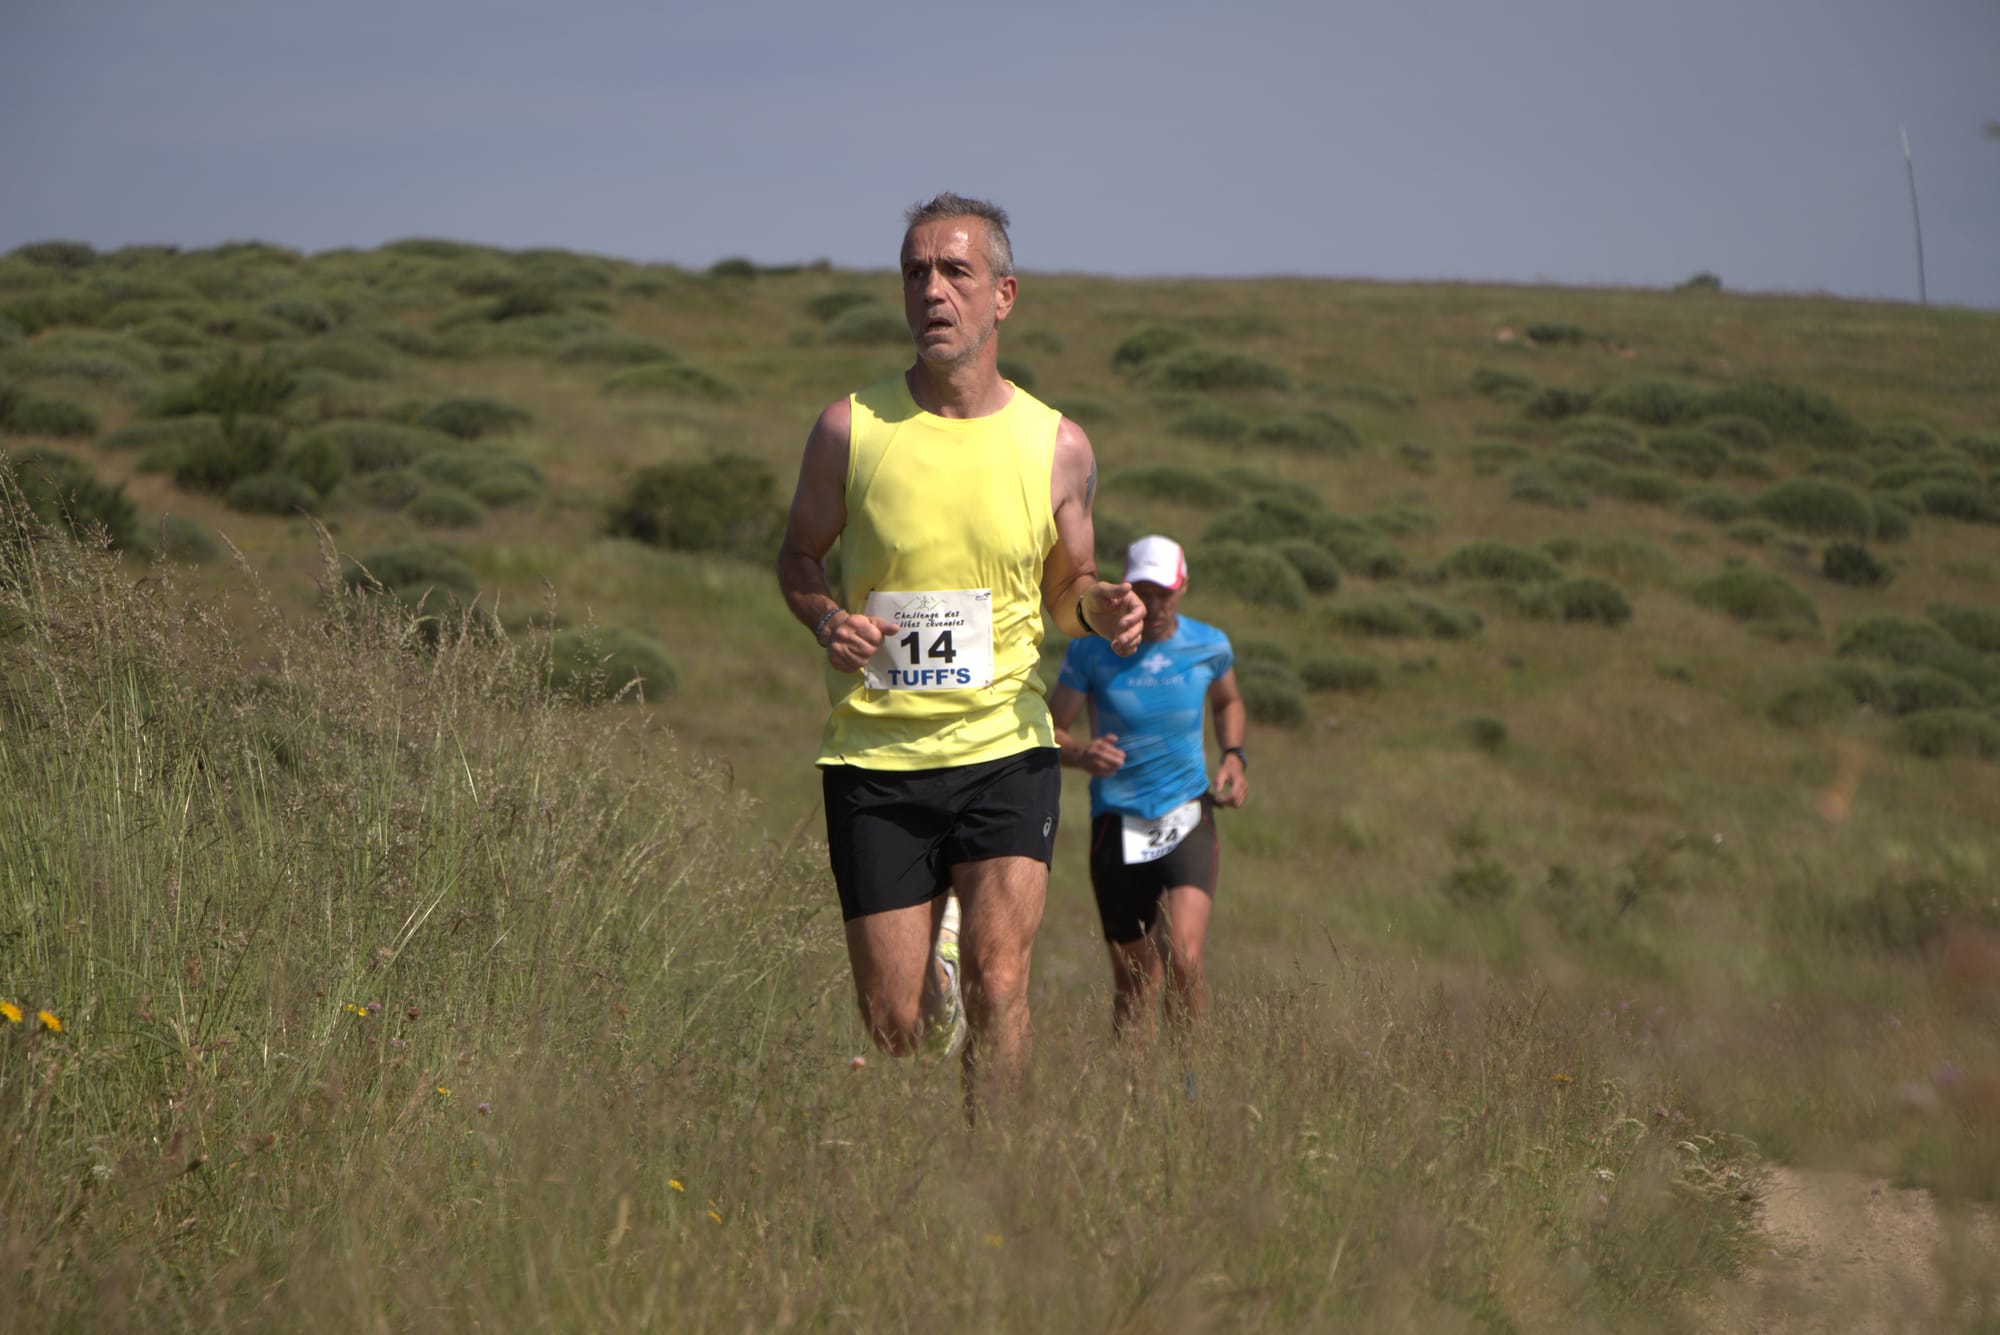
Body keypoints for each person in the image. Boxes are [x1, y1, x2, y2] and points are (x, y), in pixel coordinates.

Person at [776, 193, 1144, 1103]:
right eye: (915, 273)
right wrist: (829, 620)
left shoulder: (1057, 444)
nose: (932, 291)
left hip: (1003, 748)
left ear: (1003, 295)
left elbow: (1069, 591)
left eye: (955, 271)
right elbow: (797, 559)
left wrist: (1108, 608)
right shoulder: (847, 430)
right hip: (878, 752)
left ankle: (1002, 1195)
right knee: (896, 1024)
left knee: (1002, 985)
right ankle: (929, 963)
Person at [1049, 535, 1248, 1041]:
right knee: (1136, 981)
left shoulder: (1209, 645)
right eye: (1143, 592)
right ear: (1125, 592)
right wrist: (1081, 754)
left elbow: (1227, 702)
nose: (1154, 605)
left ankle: (1191, 1087)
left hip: (1187, 813)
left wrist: (1233, 756)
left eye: (1165, 592)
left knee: (1183, 956)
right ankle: (1134, 1099)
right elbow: (1052, 728)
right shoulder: (1090, 652)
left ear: (1181, 587)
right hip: (1117, 820)